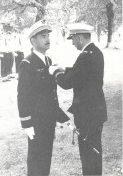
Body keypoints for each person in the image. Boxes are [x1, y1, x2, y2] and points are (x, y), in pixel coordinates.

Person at [49, 23, 107, 176]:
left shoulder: (84, 56)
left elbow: (68, 83)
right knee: (94, 151)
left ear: (80, 37)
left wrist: (55, 72)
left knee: (88, 154)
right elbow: (81, 73)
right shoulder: (95, 52)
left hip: (87, 114)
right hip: (96, 112)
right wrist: (65, 69)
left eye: (73, 39)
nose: (73, 42)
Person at [17, 20, 69, 176]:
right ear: (33, 41)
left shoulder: (49, 61)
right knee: (35, 161)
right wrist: (26, 124)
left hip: (48, 120)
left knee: (46, 158)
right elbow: (23, 96)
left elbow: (51, 95)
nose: (48, 40)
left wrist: (60, 117)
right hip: (36, 121)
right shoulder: (27, 63)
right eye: (43, 36)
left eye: (48, 36)